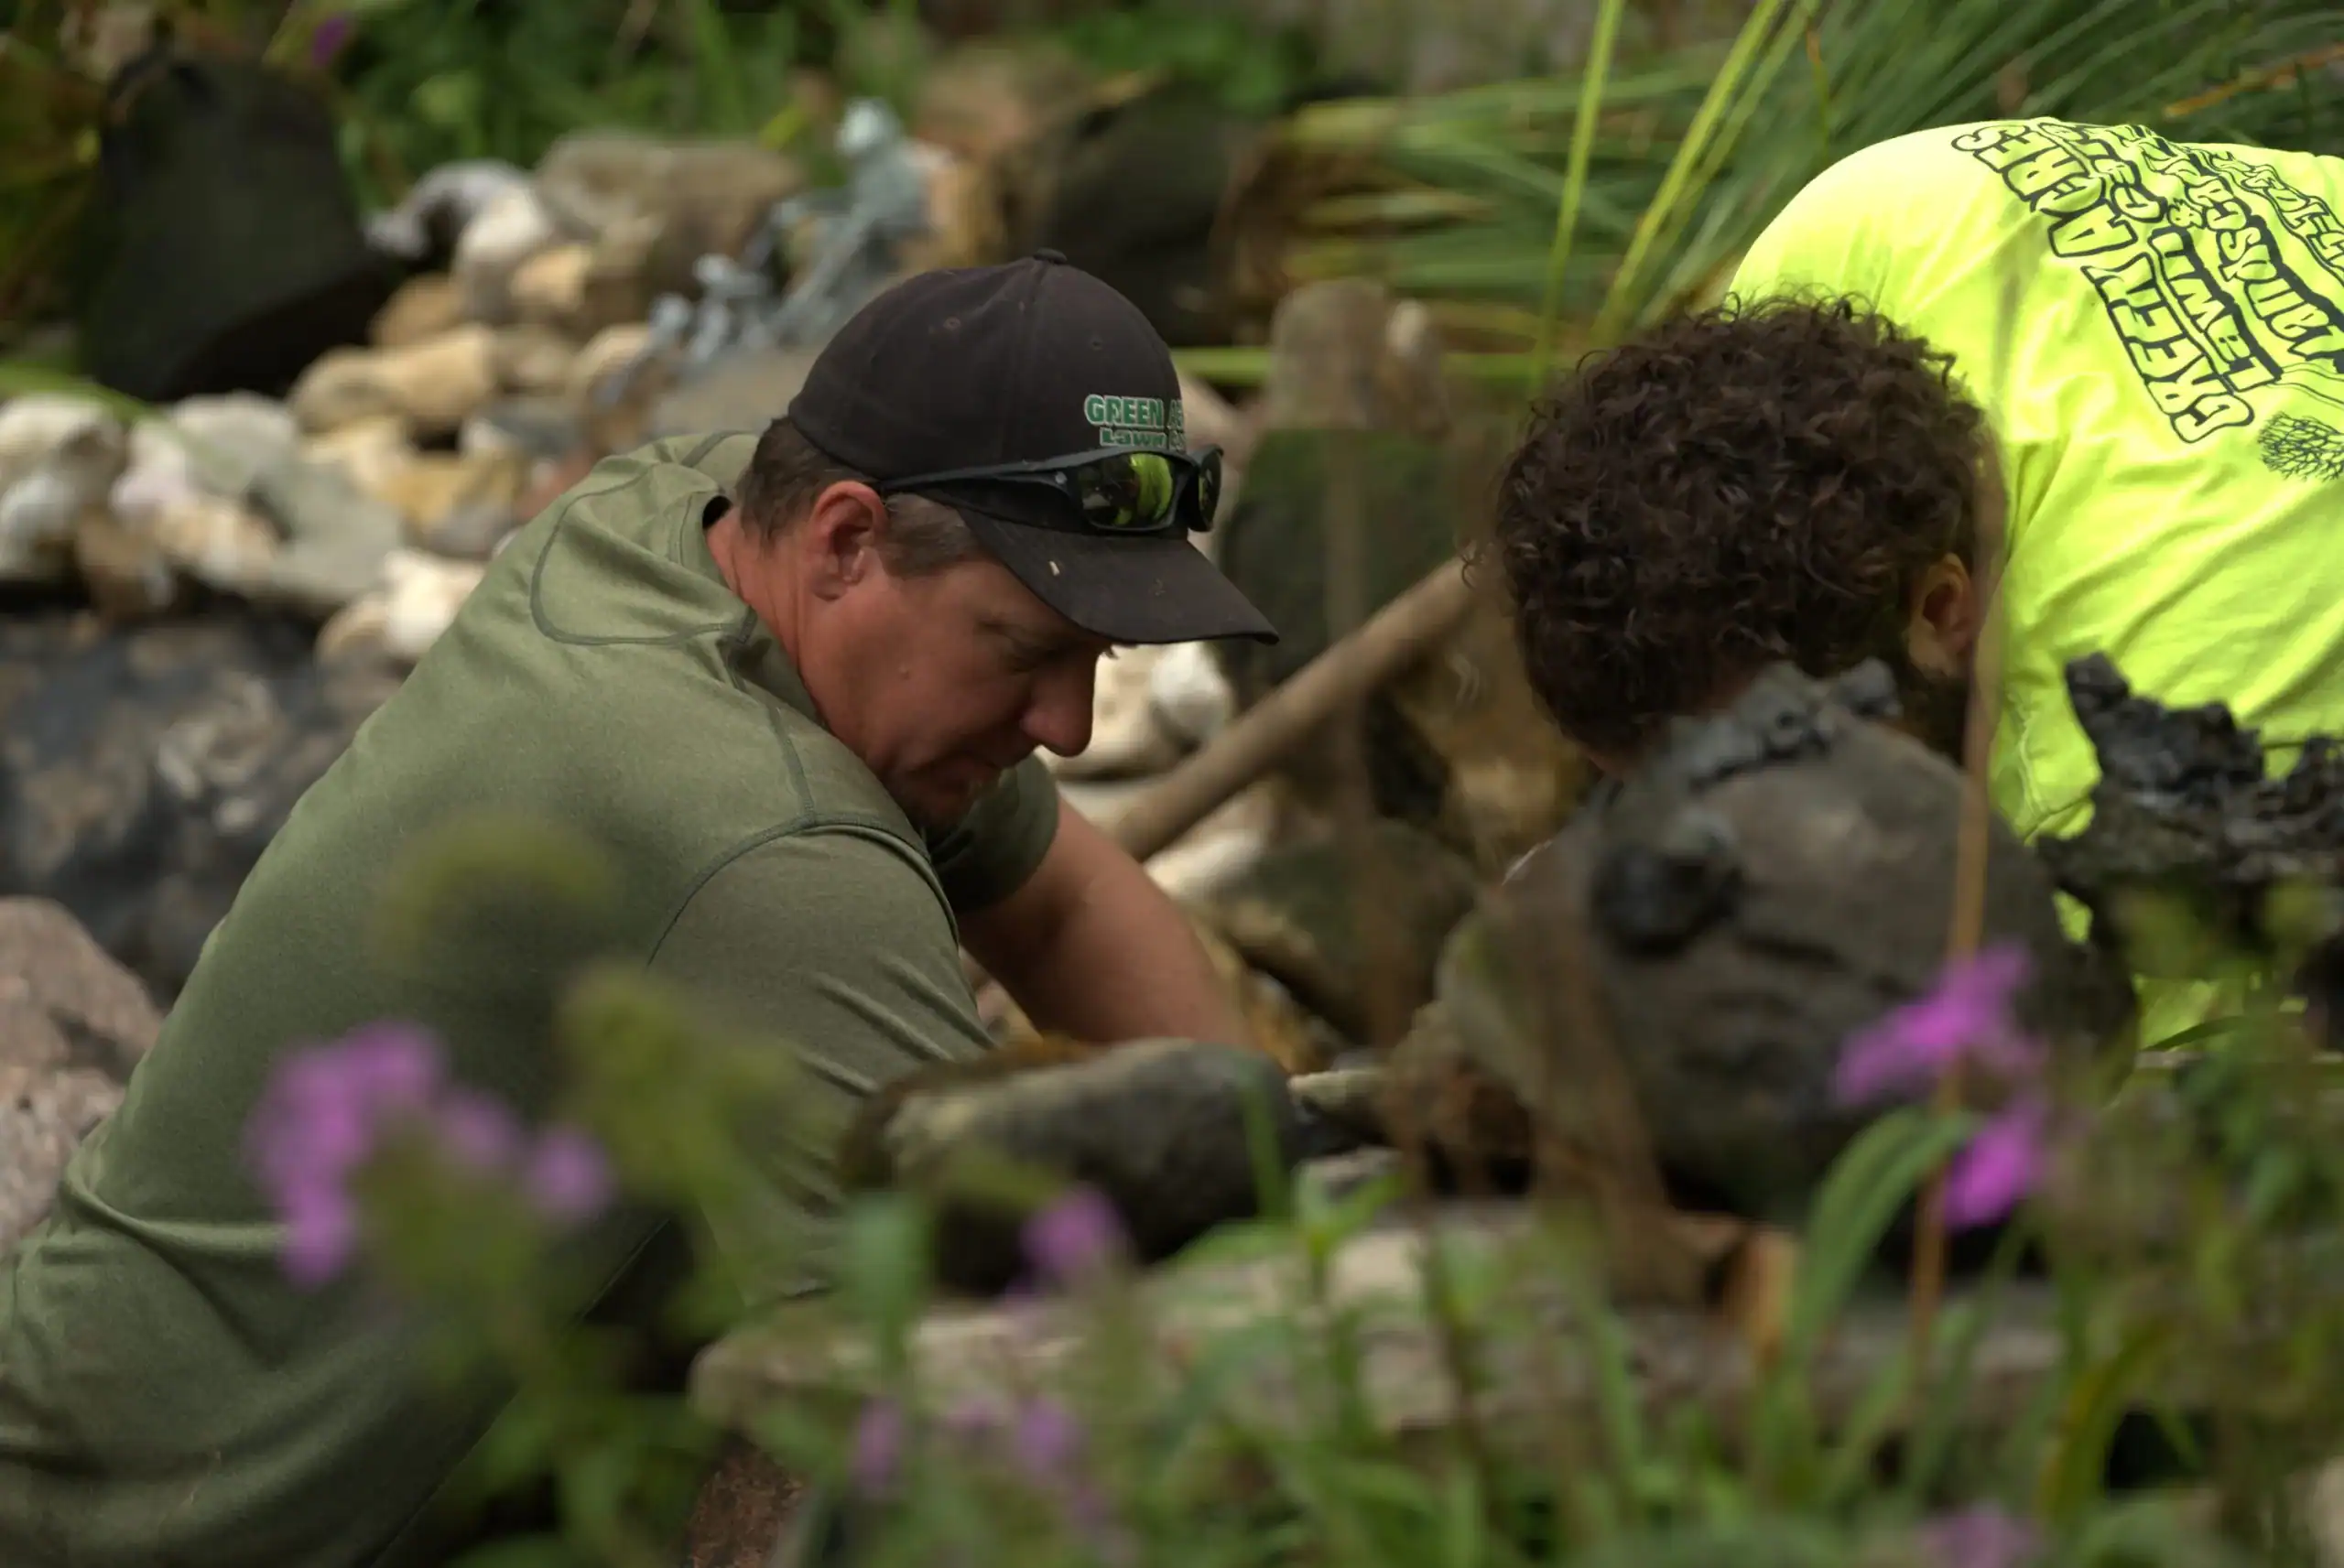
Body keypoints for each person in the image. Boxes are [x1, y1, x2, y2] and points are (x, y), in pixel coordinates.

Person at [0, 251, 1275, 1567]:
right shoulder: (766, 841)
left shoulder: (671, 510)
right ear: (845, 539)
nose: (1069, 727)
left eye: (1094, 661)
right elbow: (982, 1391)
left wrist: (1277, 1194)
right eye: (1028, 650)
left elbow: (1061, 906)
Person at [1486, 115, 2344, 1041]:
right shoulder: (1867, 222)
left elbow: (2141, 1113)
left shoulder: (2123, 816)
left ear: (1938, 612)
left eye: (1763, 780)